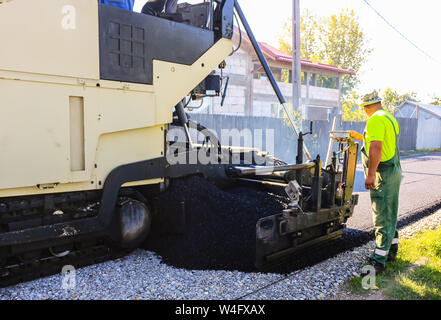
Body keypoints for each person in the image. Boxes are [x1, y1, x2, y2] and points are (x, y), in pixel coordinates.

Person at [350, 92, 402, 275]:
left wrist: (371, 174)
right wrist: (360, 137)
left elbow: (377, 147)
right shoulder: (388, 117)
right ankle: (391, 252)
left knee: (381, 217)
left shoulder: (374, 120)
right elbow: (384, 143)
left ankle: (378, 261)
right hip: (393, 170)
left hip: (383, 173)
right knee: (390, 212)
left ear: (365, 107)